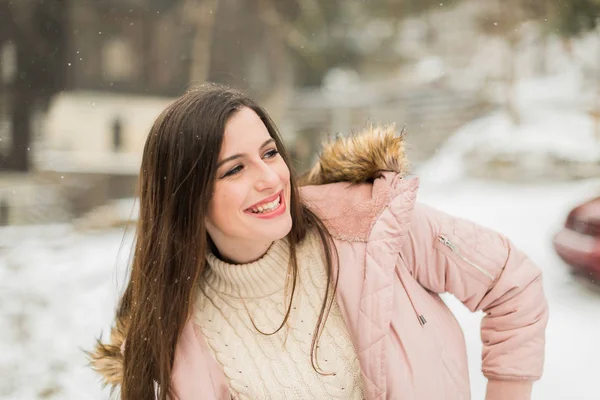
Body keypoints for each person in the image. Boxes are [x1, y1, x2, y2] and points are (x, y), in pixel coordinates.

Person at [90, 84, 549, 400]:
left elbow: (513, 283)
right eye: (234, 169)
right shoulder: (174, 341)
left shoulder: (373, 225)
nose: (271, 179)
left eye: (270, 153)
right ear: (186, 198)